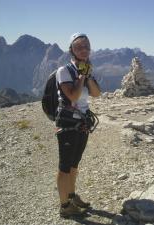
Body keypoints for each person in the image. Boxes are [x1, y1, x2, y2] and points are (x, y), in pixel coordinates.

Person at [55, 33, 101, 218]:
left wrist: (87, 76)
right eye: (79, 47)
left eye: (87, 47)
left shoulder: (87, 69)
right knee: (64, 166)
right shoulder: (64, 71)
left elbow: (96, 94)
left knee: (74, 164)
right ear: (71, 50)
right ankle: (64, 206)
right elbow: (72, 96)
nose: (84, 50)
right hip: (67, 122)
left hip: (82, 122)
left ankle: (72, 196)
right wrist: (81, 77)